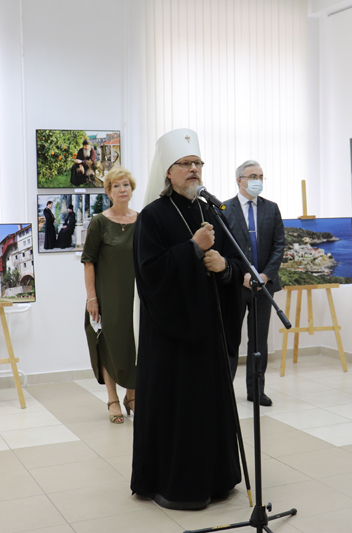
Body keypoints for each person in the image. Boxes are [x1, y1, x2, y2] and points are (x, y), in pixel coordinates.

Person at [131, 128, 244, 510]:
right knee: (179, 411)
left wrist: (224, 267)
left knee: (209, 407)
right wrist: (193, 248)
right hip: (172, 338)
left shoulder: (211, 211)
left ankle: (216, 479)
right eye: (185, 163)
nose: (194, 169)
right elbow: (150, 274)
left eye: (198, 163)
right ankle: (174, 483)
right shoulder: (152, 216)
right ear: (168, 171)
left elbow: (233, 263)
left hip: (208, 332)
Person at [223, 160, 284, 407]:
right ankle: (225, 390)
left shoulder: (272, 209)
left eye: (260, 176)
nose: (257, 180)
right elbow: (222, 248)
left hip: (264, 286)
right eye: (252, 176)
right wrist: (242, 275)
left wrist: (265, 275)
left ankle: (256, 390)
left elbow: (279, 245)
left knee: (259, 342)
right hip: (234, 286)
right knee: (230, 339)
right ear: (239, 180)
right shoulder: (224, 209)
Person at [82, 167, 138, 424]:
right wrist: (91, 298)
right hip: (108, 296)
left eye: (126, 185)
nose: (122, 189)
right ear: (108, 192)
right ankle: (113, 398)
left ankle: (132, 395)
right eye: (116, 186)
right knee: (108, 345)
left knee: (135, 344)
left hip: (136, 296)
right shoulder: (99, 222)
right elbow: (89, 261)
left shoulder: (142, 220)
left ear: (132, 189)